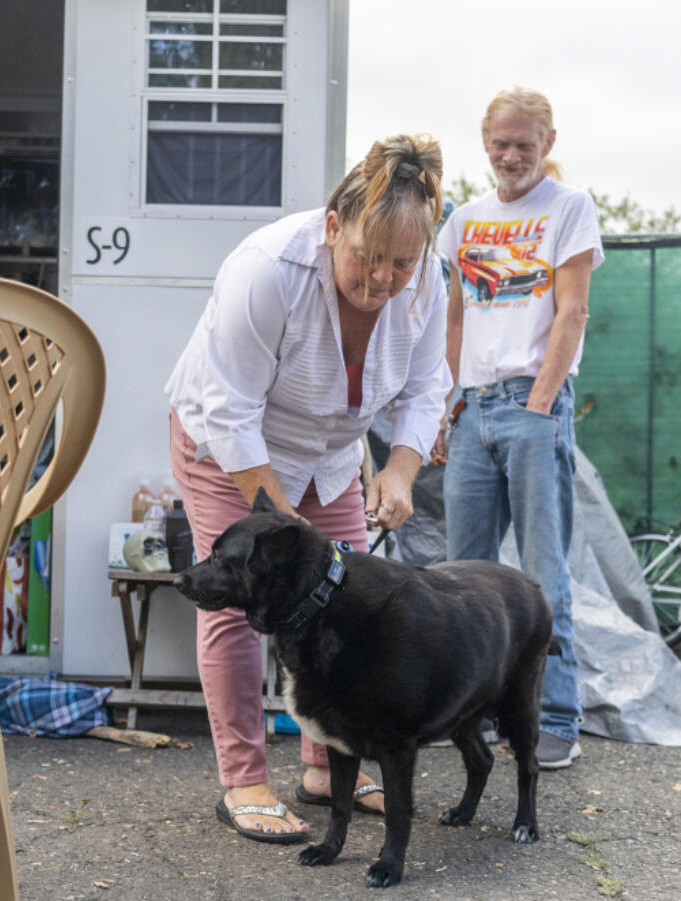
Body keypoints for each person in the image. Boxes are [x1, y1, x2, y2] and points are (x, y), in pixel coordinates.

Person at [165, 134, 451, 842]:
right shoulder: (266, 268)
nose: (383, 277)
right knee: (238, 599)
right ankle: (244, 778)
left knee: (347, 599)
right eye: (367, 256)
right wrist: (282, 526)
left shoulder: (427, 278)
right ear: (333, 226)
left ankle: (330, 765)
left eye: (401, 263)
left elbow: (426, 385)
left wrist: (400, 467)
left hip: (328, 451)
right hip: (230, 444)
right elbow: (229, 407)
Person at [434, 86, 603, 769]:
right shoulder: (464, 221)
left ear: (548, 144)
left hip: (534, 403)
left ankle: (555, 716)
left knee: (541, 573)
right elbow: (452, 318)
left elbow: (572, 312)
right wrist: (445, 406)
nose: (511, 156)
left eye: (524, 145)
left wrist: (539, 403)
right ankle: (466, 711)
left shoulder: (569, 209)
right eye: (500, 144)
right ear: (486, 144)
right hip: (472, 407)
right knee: (460, 574)